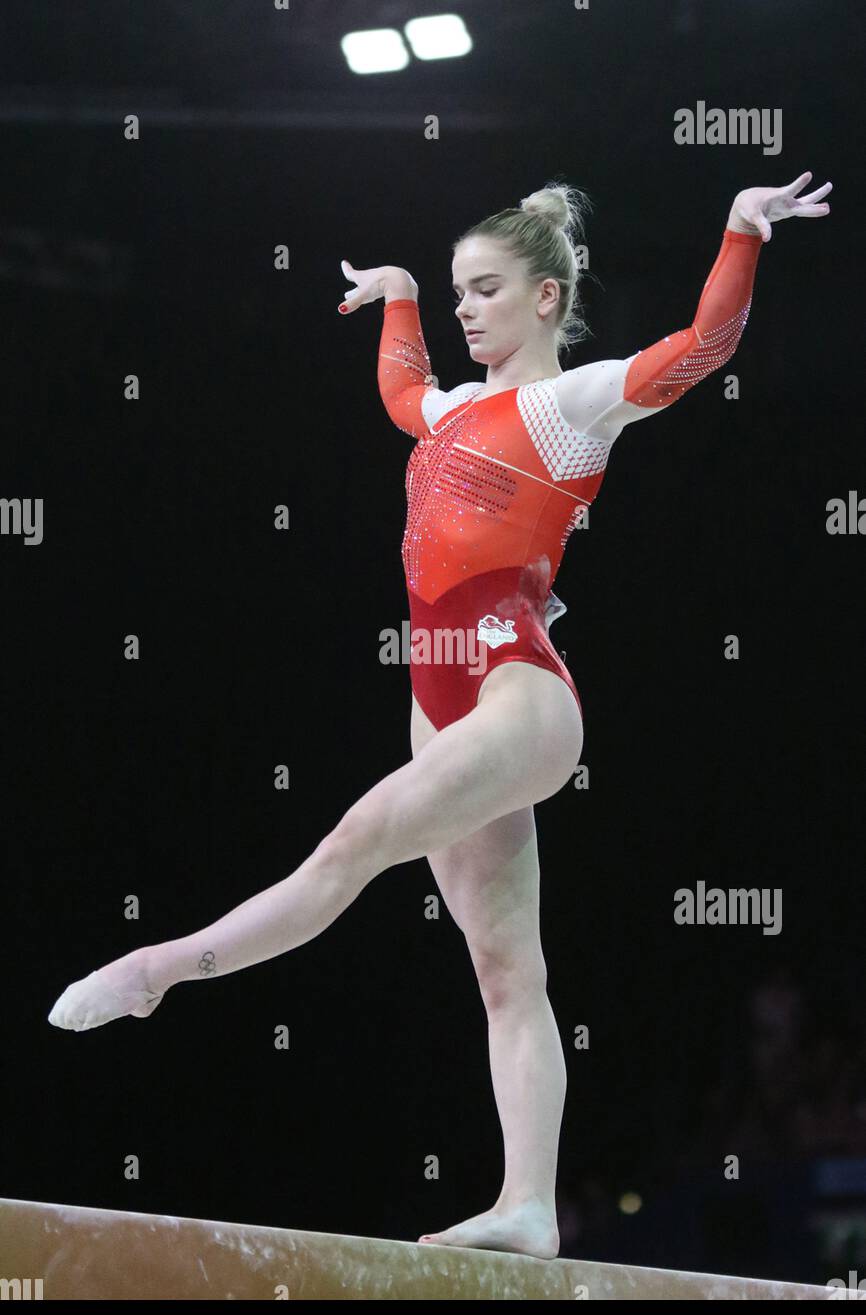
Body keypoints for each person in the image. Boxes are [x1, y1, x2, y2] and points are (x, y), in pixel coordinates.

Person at [48, 172, 831, 1258]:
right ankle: (526, 1206)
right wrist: (406, 298)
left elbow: (700, 345)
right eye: (460, 291)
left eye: (483, 290)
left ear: (546, 298)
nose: (468, 310)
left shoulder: (572, 405)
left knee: (346, 845)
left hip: (518, 694)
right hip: (438, 698)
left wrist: (740, 231)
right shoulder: (456, 407)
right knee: (507, 969)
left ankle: (160, 971)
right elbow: (400, 396)